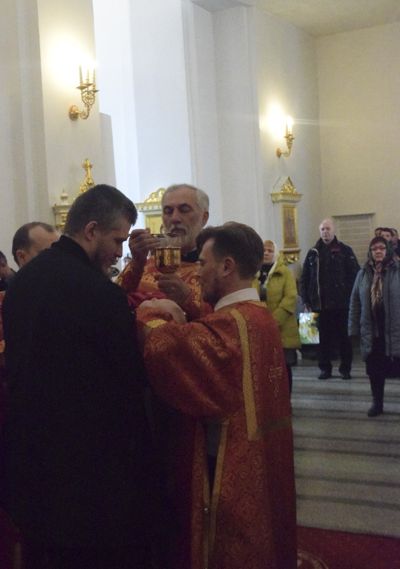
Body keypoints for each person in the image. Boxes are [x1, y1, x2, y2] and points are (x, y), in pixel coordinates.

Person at [0, 185, 155, 569]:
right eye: (117, 240)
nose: (119, 252)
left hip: (34, 461)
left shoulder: (21, 283)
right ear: (91, 230)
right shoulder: (100, 293)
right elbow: (129, 383)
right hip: (89, 476)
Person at [136, 222, 297, 569]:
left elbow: (166, 350)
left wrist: (152, 312)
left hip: (231, 461)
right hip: (265, 456)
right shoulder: (261, 317)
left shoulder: (230, 324)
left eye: (203, 264)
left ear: (226, 266)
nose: (197, 273)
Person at [116, 183, 211, 319]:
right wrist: (136, 262)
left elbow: (227, 319)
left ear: (204, 217)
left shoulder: (216, 269)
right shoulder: (145, 266)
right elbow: (111, 302)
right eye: (168, 211)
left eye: (184, 210)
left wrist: (188, 298)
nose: (174, 218)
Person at [0, 222, 59, 432]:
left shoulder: (66, 292)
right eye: (46, 254)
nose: (58, 261)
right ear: (22, 257)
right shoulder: (6, 300)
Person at [301, 218, 360, 380]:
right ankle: (325, 369)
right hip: (319, 304)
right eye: (322, 229)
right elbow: (305, 278)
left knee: (344, 339)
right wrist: (306, 299)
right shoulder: (313, 252)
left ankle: (345, 369)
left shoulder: (345, 251)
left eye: (328, 229)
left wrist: (347, 294)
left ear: (334, 231)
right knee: (322, 340)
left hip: (341, 304)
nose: (325, 232)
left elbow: (354, 275)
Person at [349, 236, 400, 417]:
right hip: (372, 331)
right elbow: (355, 302)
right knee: (375, 370)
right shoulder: (363, 273)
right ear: (370, 252)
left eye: (381, 248)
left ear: (388, 250)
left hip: (395, 329)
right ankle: (377, 402)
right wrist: (353, 329)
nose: (378, 251)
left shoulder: (397, 270)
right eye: (374, 248)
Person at [253, 240, 300, 392]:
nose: (266, 253)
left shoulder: (286, 273)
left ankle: (286, 399)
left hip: (281, 327)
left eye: (270, 250)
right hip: (259, 326)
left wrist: (274, 320)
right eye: (263, 250)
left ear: (276, 254)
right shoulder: (253, 273)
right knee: (263, 367)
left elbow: (290, 298)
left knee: (283, 367)